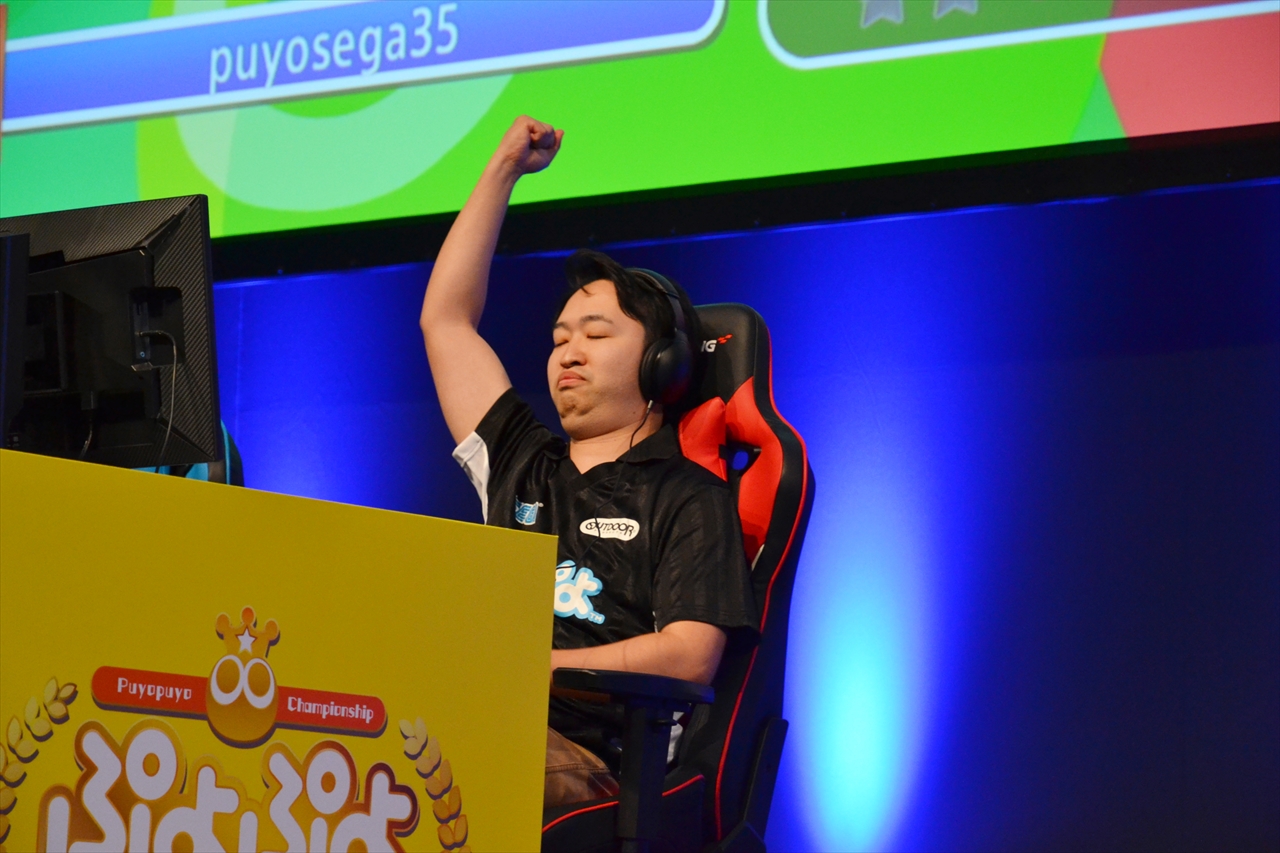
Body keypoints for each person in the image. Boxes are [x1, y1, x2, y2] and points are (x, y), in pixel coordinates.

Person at [419, 116, 756, 808]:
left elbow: (690, 652)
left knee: (451, 754)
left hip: (598, 761)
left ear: (662, 361)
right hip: (491, 722)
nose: (568, 352)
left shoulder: (689, 496)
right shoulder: (520, 461)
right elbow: (445, 321)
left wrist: (541, 668)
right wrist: (503, 169)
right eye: (558, 338)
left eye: (595, 335)